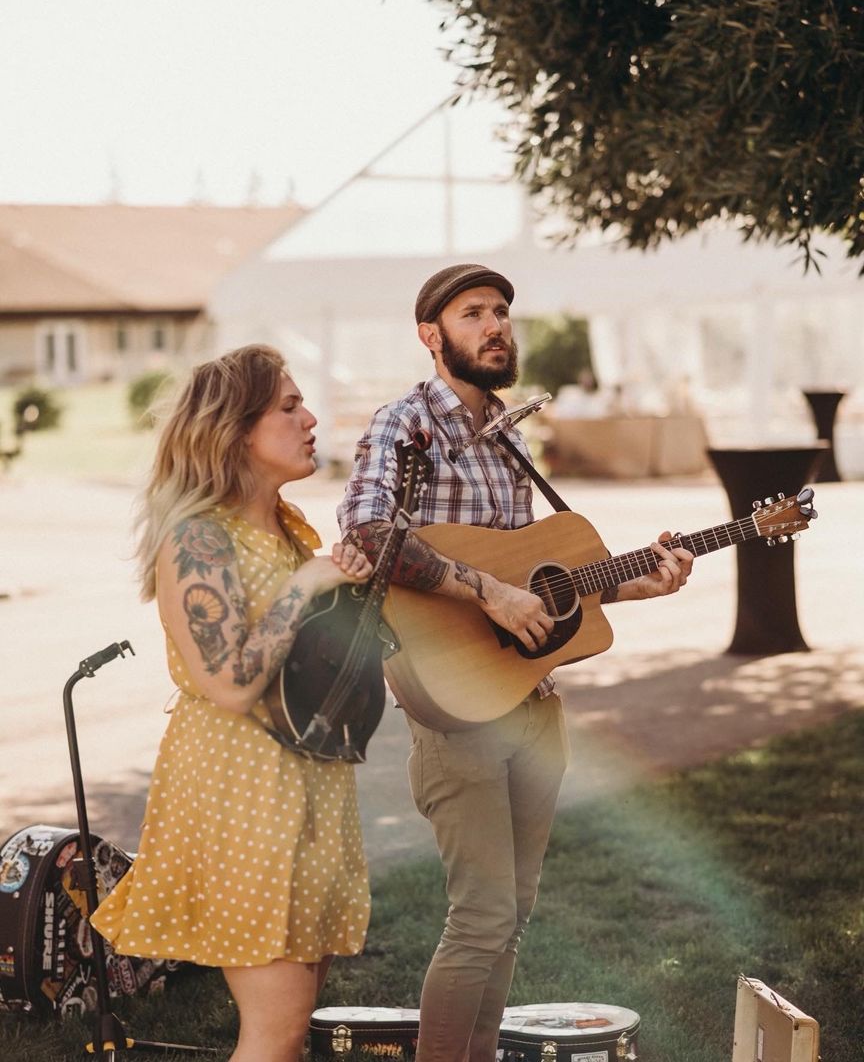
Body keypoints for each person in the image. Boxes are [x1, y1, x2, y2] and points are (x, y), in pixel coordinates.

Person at [337, 264, 695, 1062]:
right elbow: (366, 531)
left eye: (502, 311)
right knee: (481, 918)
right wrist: (484, 590)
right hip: (455, 712)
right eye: (474, 314)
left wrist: (637, 584)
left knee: (514, 913)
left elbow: (541, 590)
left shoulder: (509, 435)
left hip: (533, 702)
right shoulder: (407, 424)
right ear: (433, 336)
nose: (496, 325)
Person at [91, 345, 374, 1062]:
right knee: (275, 1030)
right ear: (234, 428)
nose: (311, 419)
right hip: (239, 796)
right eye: (288, 406)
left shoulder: (288, 528)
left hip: (305, 788)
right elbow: (227, 681)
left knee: (296, 1023)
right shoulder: (197, 538)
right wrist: (307, 586)